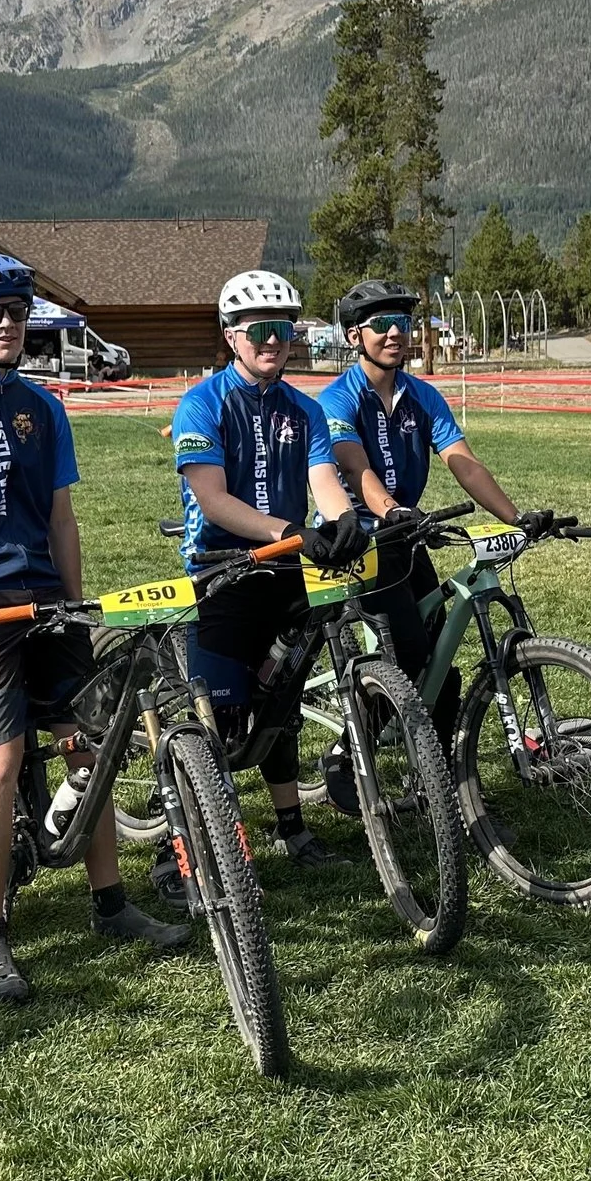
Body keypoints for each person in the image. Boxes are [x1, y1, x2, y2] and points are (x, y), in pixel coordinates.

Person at [0, 253, 186, 1003]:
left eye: (16, 315)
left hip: (45, 600)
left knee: (86, 749)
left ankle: (111, 902)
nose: (5, 326)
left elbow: (62, 517)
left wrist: (75, 602)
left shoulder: (44, 407)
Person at [171, 268, 370, 867]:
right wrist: (290, 532)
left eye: (282, 329)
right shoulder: (201, 403)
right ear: (231, 335)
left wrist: (344, 523)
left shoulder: (303, 410)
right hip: (221, 572)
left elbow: (323, 483)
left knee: (281, 705)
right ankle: (181, 850)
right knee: (217, 725)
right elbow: (213, 499)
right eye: (259, 330)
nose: (272, 341)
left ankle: (293, 830)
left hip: (286, 569)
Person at [318, 278, 545, 765]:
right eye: (381, 325)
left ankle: (440, 786)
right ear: (355, 336)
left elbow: (462, 461)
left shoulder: (423, 396)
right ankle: (345, 755)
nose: (394, 334)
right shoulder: (337, 399)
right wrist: (390, 509)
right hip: (359, 542)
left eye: (401, 323)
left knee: (440, 663)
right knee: (410, 656)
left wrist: (515, 516)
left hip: (408, 537)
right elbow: (356, 467)